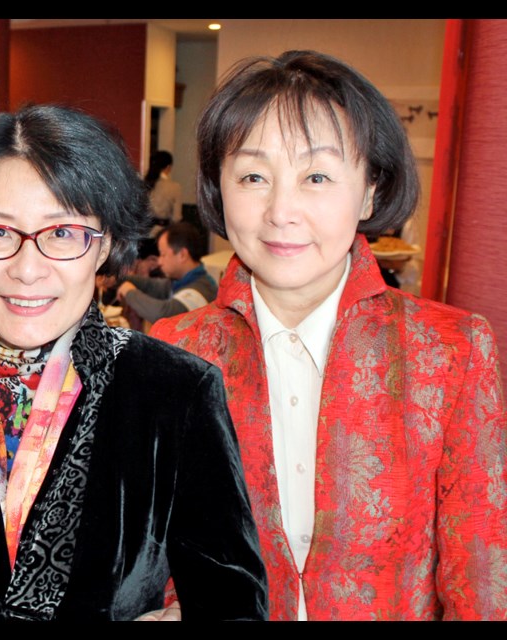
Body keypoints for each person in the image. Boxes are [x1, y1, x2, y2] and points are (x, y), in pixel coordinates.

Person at [0, 103, 267, 621]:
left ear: (103, 246)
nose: (27, 269)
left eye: (61, 233)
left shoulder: (174, 394)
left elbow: (231, 598)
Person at [151, 50, 507, 620]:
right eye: (252, 177)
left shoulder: (450, 351)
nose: (281, 210)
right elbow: (152, 556)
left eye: (316, 176)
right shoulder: (174, 350)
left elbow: (484, 583)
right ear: (218, 190)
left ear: (369, 191)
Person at [114, 222, 217, 323]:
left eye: (163, 254)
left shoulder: (201, 290)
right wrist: (116, 279)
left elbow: (162, 314)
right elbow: (151, 285)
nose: (159, 261)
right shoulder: (181, 281)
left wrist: (129, 292)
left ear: (182, 255)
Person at [144, 150, 182, 232]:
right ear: (168, 167)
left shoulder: (144, 184)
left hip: (144, 232)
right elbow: (176, 217)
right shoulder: (174, 187)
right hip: (162, 233)